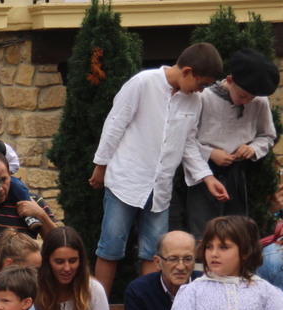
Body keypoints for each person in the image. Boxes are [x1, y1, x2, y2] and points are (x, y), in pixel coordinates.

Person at [90, 42, 229, 294]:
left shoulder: (194, 101)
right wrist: (101, 165)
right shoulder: (143, 82)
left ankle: (152, 308)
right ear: (187, 71)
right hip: (125, 181)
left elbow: (188, 143)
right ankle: (98, 308)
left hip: (160, 190)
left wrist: (207, 177)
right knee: (110, 248)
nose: (201, 90)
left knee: (154, 253)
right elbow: (115, 124)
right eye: (201, 84)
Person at [185, 49, 279, 238]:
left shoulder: (259, 102)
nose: (247, 101)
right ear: (229, 80)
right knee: (203, 232)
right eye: (243, 96)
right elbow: (186, 139)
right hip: (203, 172)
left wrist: (252, 148)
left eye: (252, 98)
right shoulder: (203, 98)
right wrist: (210, 153)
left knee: (235, 232)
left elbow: (267, 135)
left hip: (236, 175)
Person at [0, 152, 57, 239]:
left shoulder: (33, 201)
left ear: (9, 174)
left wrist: (40, 214)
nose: (0, 188)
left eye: (3, 179)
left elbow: (58, 242)